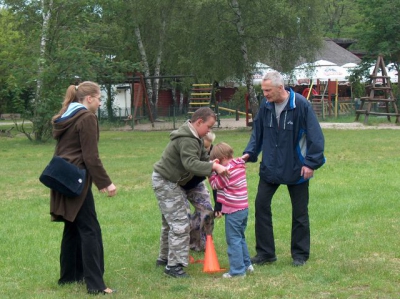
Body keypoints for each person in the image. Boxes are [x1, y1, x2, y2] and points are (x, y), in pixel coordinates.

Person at [242, 71, 325, 267]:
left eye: (268, 90)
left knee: (299, 212)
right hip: (270, 167)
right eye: (263, 90)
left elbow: (316, 136)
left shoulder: (301, 105)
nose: (265, 94)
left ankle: (300, 255)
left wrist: (311, 163)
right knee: (261, 206)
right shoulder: (266, 105)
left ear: (281, 88)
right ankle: (265, 253)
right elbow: (258, 133)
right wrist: (249, 153)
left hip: (296, 168)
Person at [50, 81, 117, 294]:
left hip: (62, 176)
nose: (99, 103)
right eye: (99, 98)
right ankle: (96, 285)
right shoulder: (87, 118)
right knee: (90, 230)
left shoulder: (67, 115)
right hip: (77, 178)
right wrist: (105, 182)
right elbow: (90, 156)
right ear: (89, 99)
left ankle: (69, 277)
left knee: (72, 226)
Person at [152, 107, 229, 278]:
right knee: (178, 223)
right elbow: (191, 164)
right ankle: (173, 267)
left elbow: (202, 161)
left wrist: (210, 162)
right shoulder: (187, 139)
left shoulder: (197, 138)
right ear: (199, 122)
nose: (210, 131)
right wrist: (214, 166)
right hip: (167, 181)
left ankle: (165, 258)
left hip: (184, 182)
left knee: (172, 222)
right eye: (209, 126)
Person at [209, 142, 253, 278]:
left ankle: (238, 271)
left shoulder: (226, 172)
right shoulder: (238, 165)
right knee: (240, 237)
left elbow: (215, 185)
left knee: (233, 240)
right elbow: (241, 158)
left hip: (233, 211)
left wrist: (211, 170)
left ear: (221, 159)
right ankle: (247, 264)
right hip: (243, 208)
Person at [182, 132, 216, 252]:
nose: (207, 151)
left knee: (207, 210)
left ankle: (204, 243)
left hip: (196, 184)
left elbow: (215, 180)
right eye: (204, 147)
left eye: (209, 147)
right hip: (178, 184)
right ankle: (184, 244)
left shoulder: (211, 155)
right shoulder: (188, 148)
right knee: (183, 216)